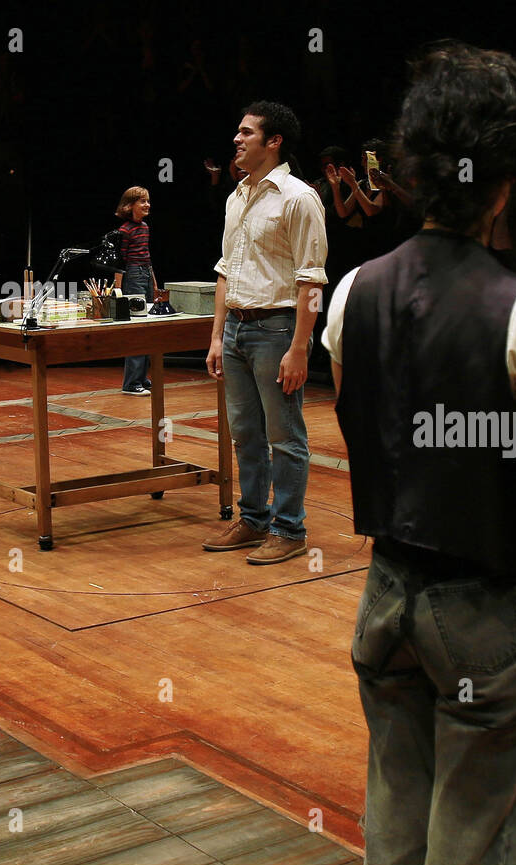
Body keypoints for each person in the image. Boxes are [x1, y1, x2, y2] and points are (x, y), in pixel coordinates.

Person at [323, 41, 516, 865]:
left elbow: (372, 438)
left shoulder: (353, 289)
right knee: (474, 845)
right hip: (488, 613)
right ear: (507, 181)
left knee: (395, 825)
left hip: (386, 600)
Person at [202, 102, 328, 564]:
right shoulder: (238, 196)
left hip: (277, 328)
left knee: (284, 435)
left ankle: (290, 529)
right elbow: (224, 273)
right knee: (245, 434)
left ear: (273, 141)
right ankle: (253, 520)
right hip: (236, 326)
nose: (237, 139)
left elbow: (312, 281)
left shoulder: (298, 197)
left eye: (246, 132)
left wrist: (299, 347)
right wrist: (218, 336)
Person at [115, 186, 157, 395]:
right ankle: (131, 383)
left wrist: (154, 283)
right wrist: (117, 289)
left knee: (147, 326)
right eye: (142, 201)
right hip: (132, 276)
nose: (147, 204)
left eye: (148, 200)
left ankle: (141, 377)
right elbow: (120, 262)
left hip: (145, 274)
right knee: (138, 327)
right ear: (129, 205)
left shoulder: (145, 227)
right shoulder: (125, 230)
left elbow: (147, 258)